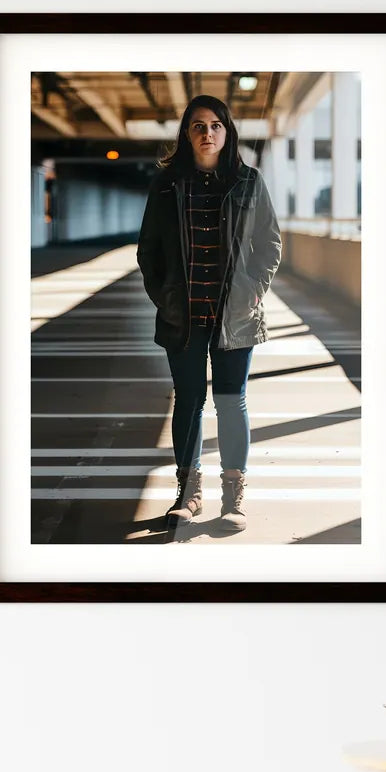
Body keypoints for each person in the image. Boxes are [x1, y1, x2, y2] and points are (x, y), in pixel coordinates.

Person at [136, 94, 282, 534]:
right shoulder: (165, 186)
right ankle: (188, 494)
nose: (207, 133)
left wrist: (253, 294)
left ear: (227, 131)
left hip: (234, 314)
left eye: (215, 125)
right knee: (190, 400)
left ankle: (233, 497)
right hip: (183, 316)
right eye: (198, 125)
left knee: (230, 401)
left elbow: (269, 245)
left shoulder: (249, 182)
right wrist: (165, 298)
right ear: (186, 132)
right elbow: (149, 252)